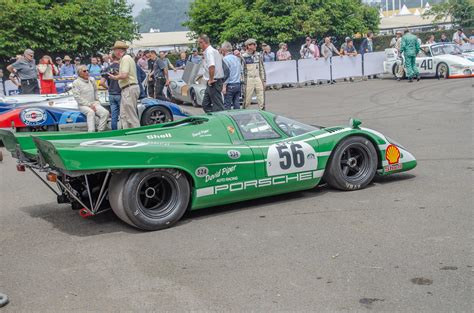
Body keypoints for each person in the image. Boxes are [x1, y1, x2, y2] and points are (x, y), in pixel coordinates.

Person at [108, 41, 140, 129]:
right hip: (128, 88)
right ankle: (127, 133)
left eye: (114, 50)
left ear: (118, 51)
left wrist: (114, 77)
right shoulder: (126, 58)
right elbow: (125, 75)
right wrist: (118, 74)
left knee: (130, 115)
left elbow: (124, 75)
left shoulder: (125, 58)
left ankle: (137, 133)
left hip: (129, 88)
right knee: (124, 114)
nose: (114, 52)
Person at [72, 65, 109, 132]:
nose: (87, 72)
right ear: (79, 73)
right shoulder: (76, 82)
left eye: (87, 70)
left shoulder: (92, 80)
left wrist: (97, 101)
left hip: (93, 103)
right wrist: (89, 105)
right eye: (84, 71)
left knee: (105, 113)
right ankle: (91, 132)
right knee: (90, 112)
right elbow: (77, 97)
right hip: (83, 105)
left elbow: (95, 90)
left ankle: (100, 131)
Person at [198, 34, 225, 112]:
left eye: (199, 43)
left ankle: (221, 120)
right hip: (211, 81)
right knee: (205, 104)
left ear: (203, 42)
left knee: (218, 106)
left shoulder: (209, 51)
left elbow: (212, 66)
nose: (199, 45)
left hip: (214, 81)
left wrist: (211, 79)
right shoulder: (209, 51)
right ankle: (215, 118)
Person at [241, 38, 266, 110]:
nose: (256, 45)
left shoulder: (258, 55)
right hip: (248, 79)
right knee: (247, 99)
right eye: (254, 44)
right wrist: (242, 81)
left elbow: (262, 68)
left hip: (258, 78)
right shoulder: (243, 56)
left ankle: (262, 112)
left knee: (261, 98)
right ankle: (245, 113)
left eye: (255, 44)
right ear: (248, 46)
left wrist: (264, 80)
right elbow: (241, 70)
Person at [99, 54, 121, 130]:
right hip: (120, 93)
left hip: (111, 93)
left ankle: (114, 130)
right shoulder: (121, 67)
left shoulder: (107, 68)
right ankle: (124, 130)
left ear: (111, 59)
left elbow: (101, 83)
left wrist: (108, 88)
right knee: (123, 114)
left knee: (114, 115)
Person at [221, 41, 242, 110]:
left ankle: (227, 120)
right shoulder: (237, 58)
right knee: (236, 104)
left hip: (230, 85)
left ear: (224, 49)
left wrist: (224, 86)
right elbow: (241, 71)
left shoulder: (225, 59)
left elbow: (226, 73)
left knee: (227, 105)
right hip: (238, 84)